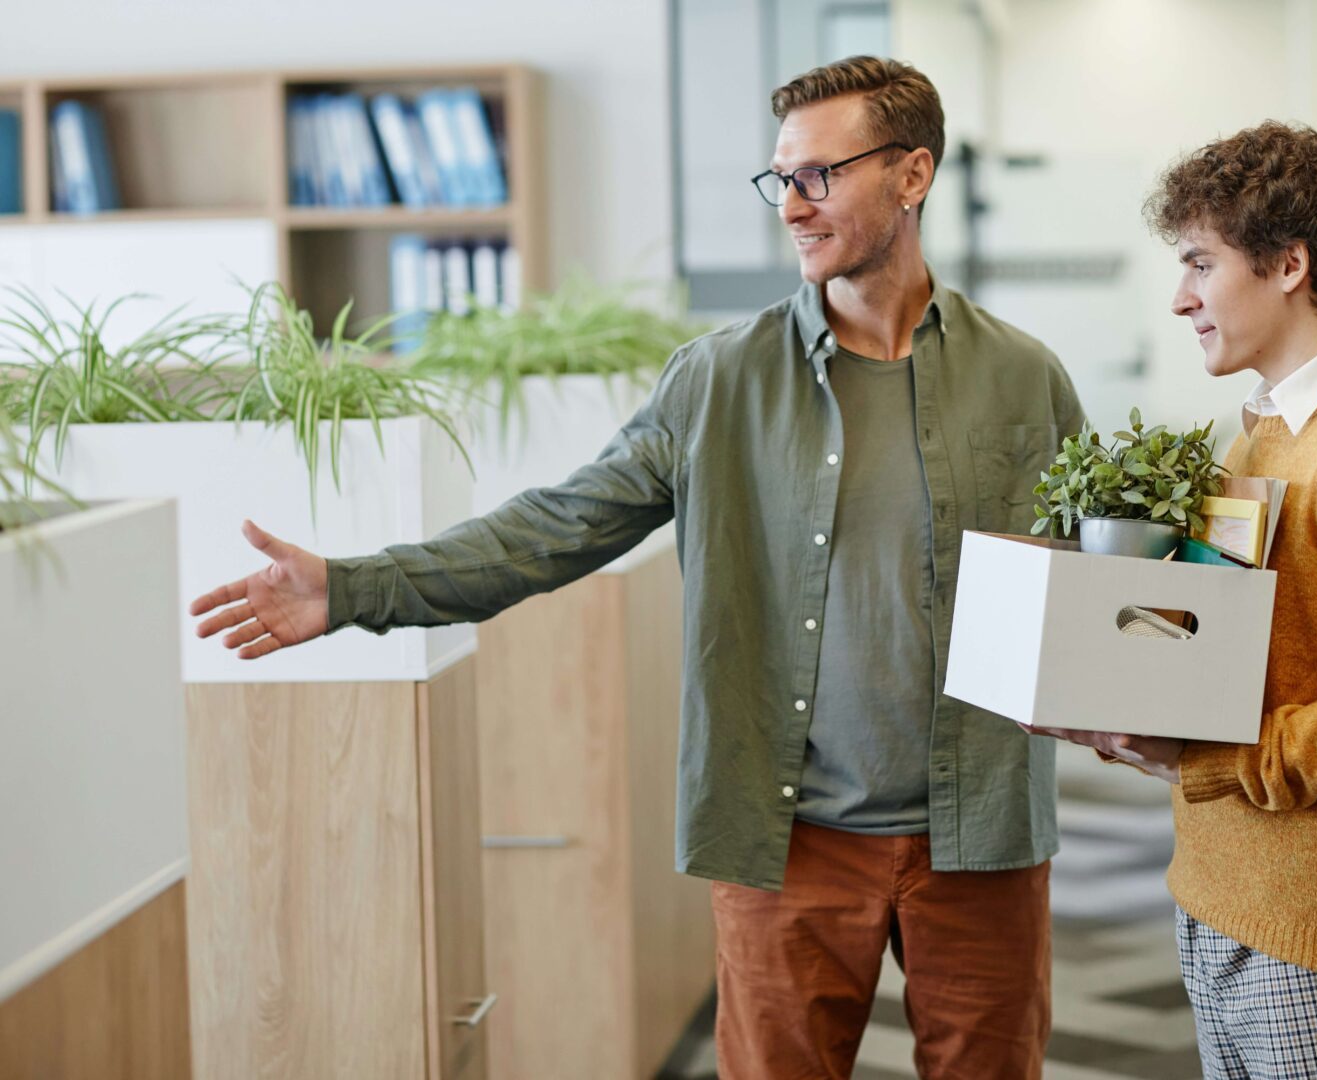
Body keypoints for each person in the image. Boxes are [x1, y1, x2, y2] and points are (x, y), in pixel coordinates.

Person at [191, 56, 1083, 1079]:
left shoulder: (1024, 378)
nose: (792, 206)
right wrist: (355, 588)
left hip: (983, 833)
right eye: (781, 179)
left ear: (913, 174)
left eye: (820, 176)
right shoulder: (718, 381)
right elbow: (555, 527)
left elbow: (1104, 574)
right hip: (787, 837)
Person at [1027, 121, 1317, 1079]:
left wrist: (1215, 754)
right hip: (1226, 894)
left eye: (1200, 261)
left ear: (1289, 264)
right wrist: (1114, 685)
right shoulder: (1264, 435)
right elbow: (1245, 654)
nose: (1182, 296)